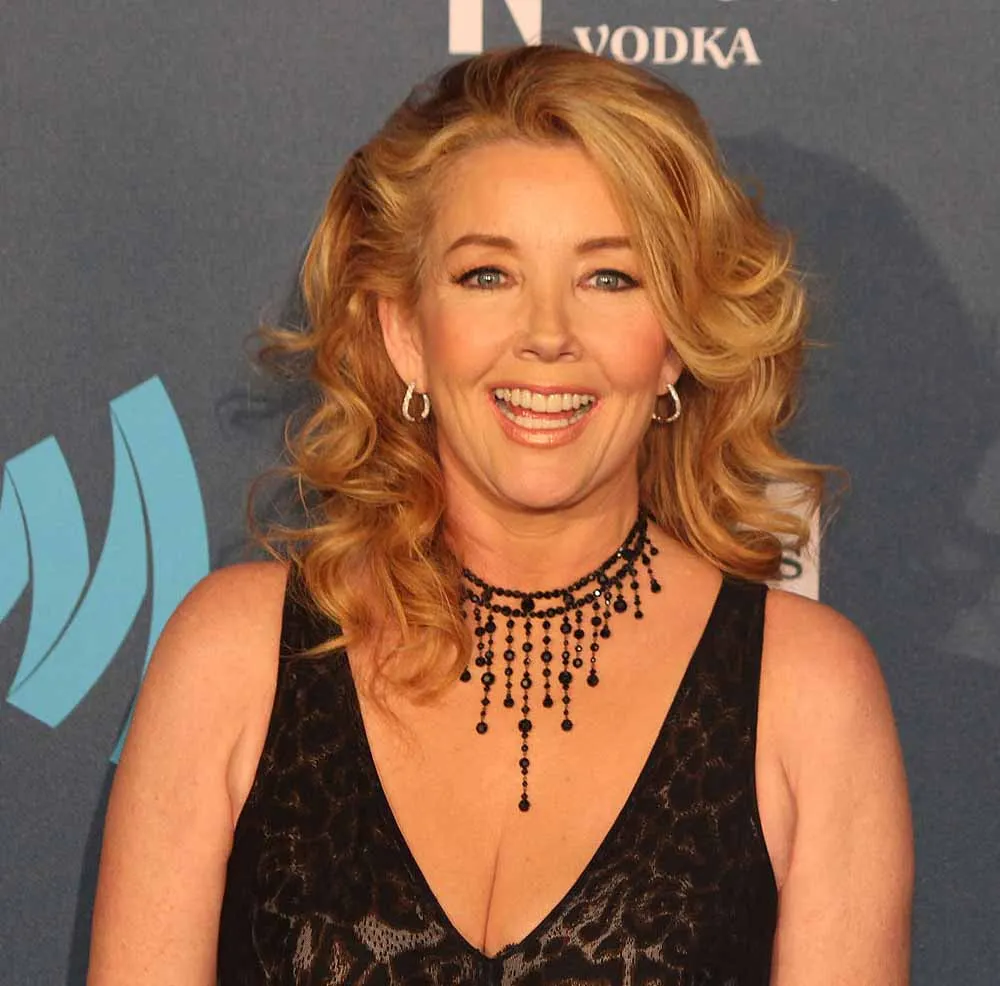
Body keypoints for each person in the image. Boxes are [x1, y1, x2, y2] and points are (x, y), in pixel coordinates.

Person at [87, 44, 913, 985]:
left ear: (675, 342)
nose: (548, 335)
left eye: (609, 278)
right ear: (405, 330)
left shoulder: (806, 696)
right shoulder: (231, 662)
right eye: (488, 275)